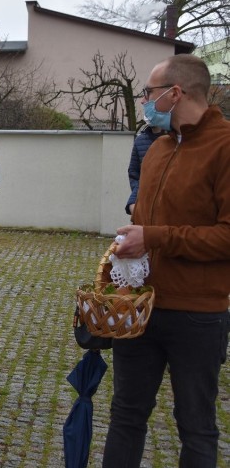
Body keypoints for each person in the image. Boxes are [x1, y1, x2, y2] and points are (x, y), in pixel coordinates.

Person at [102, 54, 230, 468]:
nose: (144, 101)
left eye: (149, 93)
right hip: (139, 307)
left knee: (195, 425)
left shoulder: (225, 147)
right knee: (125, 415)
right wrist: (131, 245)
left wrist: (153, 237)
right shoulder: (156, 148)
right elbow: (145, 220)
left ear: (176, 93)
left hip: (197, 314)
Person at [124, 125, 163, 215]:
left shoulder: (173, 138)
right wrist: (134, 200)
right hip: (145, 202)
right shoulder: (140, 140)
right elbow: (134, 173)